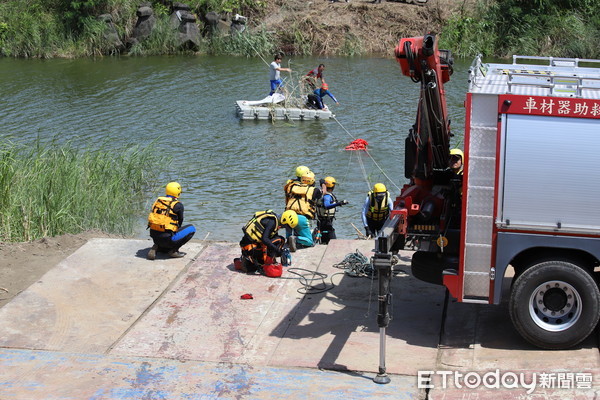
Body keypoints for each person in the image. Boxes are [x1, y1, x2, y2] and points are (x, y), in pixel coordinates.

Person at [147, 182, 196, 260]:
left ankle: (158, 246)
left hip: (154, 236)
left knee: (162, 231)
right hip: (168, 238)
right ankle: (173, 251)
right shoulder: (178, 205)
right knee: (192, 228)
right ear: (178, 192)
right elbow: (180, 222)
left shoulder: (158, 201)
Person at [315, 176, 348, 244]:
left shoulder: (321, 194)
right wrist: (339, 203)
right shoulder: (327, 196)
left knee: (324, 241)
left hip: (321, 221)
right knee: (334, 242)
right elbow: (327, 206)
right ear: (333, 186)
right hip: (326, 222)